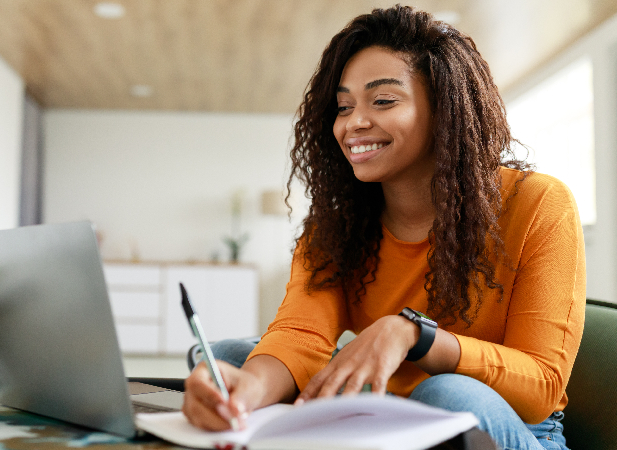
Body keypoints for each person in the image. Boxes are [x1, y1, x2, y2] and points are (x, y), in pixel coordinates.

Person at [182, 5, 585, 450]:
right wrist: (248, 394)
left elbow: (542, 386)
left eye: (384, 100)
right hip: (387, 414)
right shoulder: (337, 225)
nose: (354, 123)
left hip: (512, 428)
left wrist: (415, 335)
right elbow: (301, 333)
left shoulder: (539, 203)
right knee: (230, 360)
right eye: (343, 106)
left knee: (444, 393)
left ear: (444, 108)